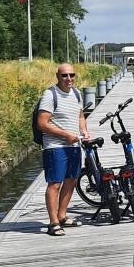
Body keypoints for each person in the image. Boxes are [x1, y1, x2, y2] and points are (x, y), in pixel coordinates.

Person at [36, 64, 89, 236]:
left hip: (74, 145)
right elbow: (42, 123)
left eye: (72, 75)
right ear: (57, 76)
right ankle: (53, 223)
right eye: (65, 75)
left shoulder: (77, 93)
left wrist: (84, 131)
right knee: (55, 184)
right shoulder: (50, 95)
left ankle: (62, 216)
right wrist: (65, 135)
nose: (69, 79)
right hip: (55, 147)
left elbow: (80, 116)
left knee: (71, 180)